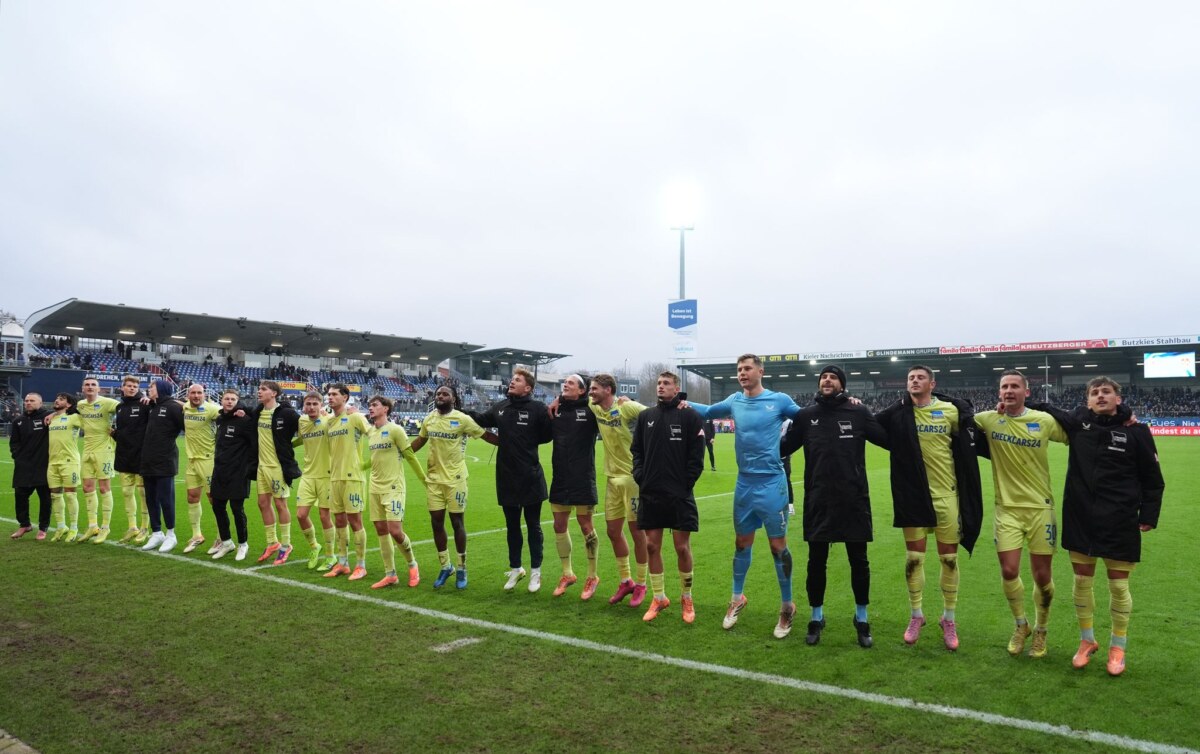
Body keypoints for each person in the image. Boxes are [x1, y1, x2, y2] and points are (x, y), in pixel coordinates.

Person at [1029, 377, 1165, 676]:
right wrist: (1016, 401)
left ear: (1119, 398)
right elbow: (1047, 408)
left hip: (1119, 518)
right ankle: (1087, 640)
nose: (1100, 396)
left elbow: (1154, 480)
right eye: (1094, 393)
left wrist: (1148, 515)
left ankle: (1118, 647)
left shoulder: (1137, 431)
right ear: (1087, 401)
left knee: (1118, 586)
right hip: (1081, 516)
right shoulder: (1078, 423)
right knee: (1081, 582)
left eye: (1106, 392)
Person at [686, 354, 803, 637]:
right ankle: (737, 598)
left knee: (778, 547)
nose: (742, 373)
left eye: (747, 368)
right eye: (739, 369)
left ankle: (787, 606)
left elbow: (809, 418)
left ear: (760, 371)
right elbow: (707, 411)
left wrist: (847, 405)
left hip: (772, 485)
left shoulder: (780, 400)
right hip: (745, 485)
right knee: (741, 543)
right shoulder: (734, 401)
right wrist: (681, 402)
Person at [875, 365, 984, 651]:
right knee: (914, 558)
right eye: (911, 378)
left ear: (932, 383)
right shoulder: (899, 411)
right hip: (913, 497)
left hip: (946, 496)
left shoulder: (949, 411)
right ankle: (916, 615)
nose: (914, 381)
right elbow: (873, 425)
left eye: (920, 377)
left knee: (948, 560)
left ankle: (948, 618)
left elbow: (973, 437)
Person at [781, 366, 888, 646]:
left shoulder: (859, 412)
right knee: (816, 562)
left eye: (833, 377)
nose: (826, 380)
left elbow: (887, 438)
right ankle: (816, 617)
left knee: (859, 562)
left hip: (853, 499)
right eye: (823, 377)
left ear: (842, 385)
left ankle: (862, 618)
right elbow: (783, 447)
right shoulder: (806, 416)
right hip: (819, 500)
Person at [973, 370, 1068, 658]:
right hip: (1007, 510)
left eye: (1015, 386)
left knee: (1042, 577)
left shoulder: (1043, 420)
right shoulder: (987, 420)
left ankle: (1041, 629)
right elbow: (959, 417)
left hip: (1041, 508)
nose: (1009, 390)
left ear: (1027, 392)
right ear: (999, 392)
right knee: (1009, 570)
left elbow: (1076, 432)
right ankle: (1021, 625)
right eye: (1005, 387)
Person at [630, 371, 705, 623]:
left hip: (679, 494)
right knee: (652, 546)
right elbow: (636, 450)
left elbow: (697, 455)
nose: (661, 387)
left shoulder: (690, 416)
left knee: (682, 547)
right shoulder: (645, 417)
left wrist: (686, 483)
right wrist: (640, 475)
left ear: (677, 388)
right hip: (650, 492)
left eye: (666, 384)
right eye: (659, 383)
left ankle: (687, 596)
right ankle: (659, 597)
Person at [470, 369, 553, 592]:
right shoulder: (501, 408)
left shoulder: (537, 409)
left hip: (531, 477)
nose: (512, 382)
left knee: (533, 526)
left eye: (517, 380)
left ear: (528, 388)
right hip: (506, 476)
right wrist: (458, 410)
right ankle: (516, 569)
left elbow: (548, 434)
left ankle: (536, 572)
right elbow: (479, 419)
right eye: (512, 379)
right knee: (512, 527)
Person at [410, 385, 495, 590]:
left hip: (456, 480)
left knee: (457, 522)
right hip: (434, 480)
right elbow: (420, 440)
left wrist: (513, 443)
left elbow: (485, 435)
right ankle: (445, 566)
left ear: (453, 399)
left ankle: (462, 567)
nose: (440, 396)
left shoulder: (462, 419)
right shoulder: (429, 418)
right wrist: (399, 452)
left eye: (445, 394)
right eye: (438, 394)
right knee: (436, 522)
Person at [585, 374, 650, 606]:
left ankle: (642, 584)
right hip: (611, 480)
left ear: (608, 390)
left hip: (633, 479)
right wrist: (556, 402)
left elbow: (653, 415)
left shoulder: (626, 407)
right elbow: (572, 398)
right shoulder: (595, 408)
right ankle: (626, 581)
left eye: (594, 389)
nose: (590, 392)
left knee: (637, 534)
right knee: (613, 532)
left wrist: (630, 400)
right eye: (590, 388)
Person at [364, 395, 428, 589]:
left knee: (395, 531)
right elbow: (374, 459)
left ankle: (412, 564)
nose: (371, 408)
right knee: (381, 530)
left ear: (386, 409)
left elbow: (409, 456)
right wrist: (359, 467)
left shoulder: (396, 430)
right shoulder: (371, 432)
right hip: (374, 487)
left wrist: (425, 481)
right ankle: (390, 574)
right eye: (370, 405)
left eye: (375, 405)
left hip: (393, 488)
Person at [547, 375, 601, 599]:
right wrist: (557, 399)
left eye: (571, 383)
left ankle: (592, 576)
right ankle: (567, 573)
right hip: (560, 476)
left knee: (585, 524)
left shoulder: (591, 410)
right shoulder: (555, 410)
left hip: (583, 476)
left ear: (582, 390)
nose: (565, 385)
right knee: (559, 525)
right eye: (564, 383)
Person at [322, 383, 372, 580]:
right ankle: (342, 563)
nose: (330, 397)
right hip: (335, 477)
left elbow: (373, 435)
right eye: (328, 394)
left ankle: (361, 565)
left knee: (355, 521)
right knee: (340, 520)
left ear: (345, 397)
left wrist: (364, 465)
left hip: (353, 478)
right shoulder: (329, 423)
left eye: (334, 394)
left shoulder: (355, 417)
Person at [251, 381, 301, 564]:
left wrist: (290, 445)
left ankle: (286, 544)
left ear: (274, 393)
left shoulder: (287, 414)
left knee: (280, 504)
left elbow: (305, 430)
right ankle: (272, 542)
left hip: (277, 468)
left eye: (263, 389)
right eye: (259, 389)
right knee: (263, 503)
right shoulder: (258, 412)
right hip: (261, 467)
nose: (259, 391)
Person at [208, 389, 257, 560]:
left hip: (238, 472)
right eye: (226, 399)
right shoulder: (221, 419)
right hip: (220, 471)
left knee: (237, 509)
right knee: (218, 507)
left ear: (238, 401)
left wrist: (248, 468)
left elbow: (253, 445)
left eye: (233, 399)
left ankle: (243, 544)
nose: (229, 401)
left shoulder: (244, 420)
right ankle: (227, 542)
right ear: (221, 401)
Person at [139, 380, 185, 552]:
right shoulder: (152, 406)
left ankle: (171, 534)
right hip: (147, 460)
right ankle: (156, 532)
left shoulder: (173, 407)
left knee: (166, 499)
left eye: (152, 387)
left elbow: (188, 425)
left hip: (165, 460)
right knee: (150, 498)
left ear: (161, 389)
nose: (149, 390)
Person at [74, 377, 120, 544]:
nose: (90, 387)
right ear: (83, 388)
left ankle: (105, 527)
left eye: (93, 385)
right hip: (87, 449)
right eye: (87, 384)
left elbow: (125, 409)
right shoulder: (80, 405)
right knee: (87, 487)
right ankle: (92, 525)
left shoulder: (108, 403)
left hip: (104, 450)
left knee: (104, 488)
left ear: (99, 389)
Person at [295, 392, 336, 570]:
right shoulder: (302, 421)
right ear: (304, 406)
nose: (311, 407)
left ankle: (330, 556)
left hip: (326, 475)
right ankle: (314, 546)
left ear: (321, 405)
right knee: (301, 515)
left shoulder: (329, 421)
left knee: (324, 515)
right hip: (308, 475)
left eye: (314, 404)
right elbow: (300, 440)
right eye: (308, 404)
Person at [181, 383, 220, 553]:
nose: (196, 396)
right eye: (193, 393)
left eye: (199, 393)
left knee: (214, 499)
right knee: (192, 497)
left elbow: (227, 412)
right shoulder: (185, 408)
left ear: (204, 394)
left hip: (208, 460)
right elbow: (177, 404)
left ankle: (221, 537)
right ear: (188, 395)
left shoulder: (211, 409)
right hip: (191, 460)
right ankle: (197, 535)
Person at [10, 393, 52, 540]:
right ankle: (24, 524)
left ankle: (43, 528)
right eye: (26, 401)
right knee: (20, 495)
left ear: (40, 403)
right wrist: (17, 456)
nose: (28, 403)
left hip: (43, 465)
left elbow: (69, 411)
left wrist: (54, 415)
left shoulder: (48, 417)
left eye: (32, 401)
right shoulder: (18, 421)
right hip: (23, 466)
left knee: (45, 498)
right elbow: (14, 442)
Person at [113, 376, 150, 543]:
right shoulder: (119, 407)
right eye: (129, 385)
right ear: (123, 387)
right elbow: (124, 430)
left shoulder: (145, 404)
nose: (132, 388)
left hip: (141, 456)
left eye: (135, 386)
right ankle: (132, 527)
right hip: (123, 454)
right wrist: (116, 435)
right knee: (127, 492)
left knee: (143, 493)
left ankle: (145, 528)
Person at [45, 393, 83, 542]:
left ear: (68, 404)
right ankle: (61, 526)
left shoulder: (75, 418)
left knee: (70, 494)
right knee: (55, 495)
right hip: (53, 462)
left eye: (61, 399)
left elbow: (88, 419)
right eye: (57, 398)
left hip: (70, 462)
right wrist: (53, 413)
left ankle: (73, 527)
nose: (56, 400)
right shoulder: (52, 418)